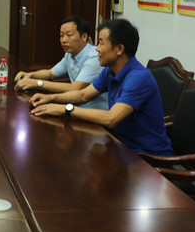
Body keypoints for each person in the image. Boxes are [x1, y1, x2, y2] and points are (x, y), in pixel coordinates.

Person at [30, 19, 173, 156]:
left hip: (147, 158)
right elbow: (83, 95)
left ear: (119, 49)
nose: (97, 49)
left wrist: (65, 109)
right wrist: (50, 98)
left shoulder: (138, 78)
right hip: (121, 146)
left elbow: (111, 118)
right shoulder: (110, 71)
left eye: (101, 43)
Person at [15, 16, 108, 109]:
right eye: (61, 36)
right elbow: (50, 73)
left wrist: (37, 83)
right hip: (77, 106)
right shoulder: (70, 54)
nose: (64, 40)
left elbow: (75, 88)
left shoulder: (95, 57)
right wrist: (30, 75)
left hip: (95, 110)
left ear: (84, 36)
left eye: (69, 35)